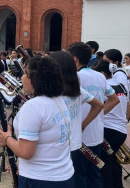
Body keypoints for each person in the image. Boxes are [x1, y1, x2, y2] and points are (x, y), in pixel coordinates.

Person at [0, 56, 74, 187]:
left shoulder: (33, 106)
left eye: (26, 73)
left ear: (37, 78)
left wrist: (7, 138)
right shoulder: (59, 100)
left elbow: (26, 152)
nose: (22, 77)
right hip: (63, 175)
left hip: (40, 179)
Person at [68, 42, 119, 188]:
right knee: (95, 176)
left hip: (80, 137)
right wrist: (98, 116)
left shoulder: (75, 77)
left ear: (75, 59)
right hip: (96, 134)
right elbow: (114, 99)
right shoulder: (100, 76)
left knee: (79, 178)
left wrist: (84, 123)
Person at [49, 52, 104, 181]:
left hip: (59, 149)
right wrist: (82, 125)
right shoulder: (77, 90)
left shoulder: (53, 94)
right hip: (76, 145)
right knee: (80, 180)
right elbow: (99, 105)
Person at [91, 59, 129, 188]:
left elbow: (99, 107)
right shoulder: (121, 86)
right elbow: (127, 105)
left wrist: (96, 117)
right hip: (121, 130)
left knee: (104, 166)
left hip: (108, 129)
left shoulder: (104, 87)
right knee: (113, 162)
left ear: (101, 73)